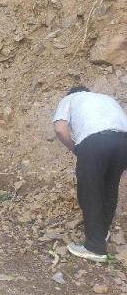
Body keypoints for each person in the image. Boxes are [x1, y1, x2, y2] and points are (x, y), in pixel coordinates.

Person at [53, 86, 127, 262]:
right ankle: (101, 233)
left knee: (90, 191)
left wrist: (75, 148)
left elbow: (60, 129)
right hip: (123, 143)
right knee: (110, 187)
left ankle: (95, 247)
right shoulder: (106, 98)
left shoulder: (70, 99)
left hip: (95, 142)